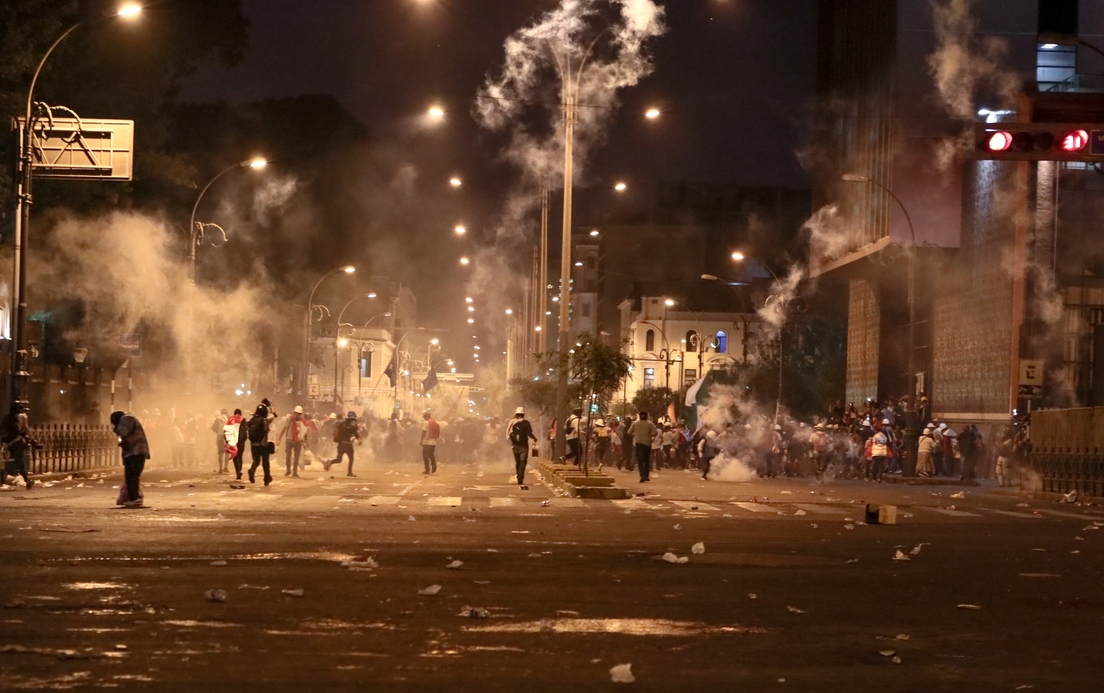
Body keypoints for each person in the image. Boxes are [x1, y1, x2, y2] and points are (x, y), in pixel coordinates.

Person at [111, 410, 150, 507]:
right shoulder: (130, 419)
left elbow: (123, 432)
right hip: (137, 452)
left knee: (131, 476)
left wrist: (115, 428)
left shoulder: (126, 419)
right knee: (134, 476)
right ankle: (136, 497)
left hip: (135, 452)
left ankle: (134, 498)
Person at [0, 403, 35, 489]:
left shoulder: (8, 417)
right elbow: (26, 427)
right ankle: (5, 473)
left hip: (9, 443)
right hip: (18, 441)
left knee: (19, 461)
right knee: (18, 461)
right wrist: (32, 439)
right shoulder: (22, 416)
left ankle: (27, 481)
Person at [507, 407, 537, 485]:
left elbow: (509, 434)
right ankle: (520, 476)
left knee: (517, 462)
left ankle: (518, 475)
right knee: (523, 461)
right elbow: (529, 433)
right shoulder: (526, 423)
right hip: (524, 446)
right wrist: (534, 438)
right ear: (523, 414)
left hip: (515, 446)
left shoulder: (513, 423)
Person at [326, 411, 361, 476]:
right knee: (351, 458)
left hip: (341, 444)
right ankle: (349, 472)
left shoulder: (343, 424)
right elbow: (355, 432)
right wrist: (359, 439)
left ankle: (330, 462)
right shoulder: (353, 423)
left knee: (339, 459)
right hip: (348, 444)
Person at [278, 406, 308, 477]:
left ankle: (295, 472)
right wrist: (280, 437)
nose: (298, 415)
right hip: (289, 440)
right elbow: (284, 428)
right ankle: (288, 470)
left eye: (299, 414)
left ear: (301, 414)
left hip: (298, 442)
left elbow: (305, 432)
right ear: (294, 413)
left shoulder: (303, 422)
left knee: (296, 457)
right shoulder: (289, 420)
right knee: (288, 456)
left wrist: (306, 440)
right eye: (297, 413)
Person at [627, 411, 657, 483]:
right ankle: (646, 475)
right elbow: (654, 433)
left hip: (639, 444)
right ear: (647, 416)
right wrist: (649, 435)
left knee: (640, 460)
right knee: (647, 460)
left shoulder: (635, 424)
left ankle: (642, 475)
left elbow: (629, 432)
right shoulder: (650, 424)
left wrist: (635, 435)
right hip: (647, 444)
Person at [247, 405, 273, 486]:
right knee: (265, 462)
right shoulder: (264, 420)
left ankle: (252, 470)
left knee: (256, 461)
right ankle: (266, 478)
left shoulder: (252, 419)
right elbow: (273, 416)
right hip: (263, 444)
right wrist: (271, 407)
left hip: (254, 444)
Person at [223, 409, 245, 479]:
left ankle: (238, 471)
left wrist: (227, 440)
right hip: (241, 441)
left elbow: (225, 431)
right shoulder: (243, 420)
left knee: (235, 456)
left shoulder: (230, 419)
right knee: (240, 456)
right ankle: (240, 470)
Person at [211, 409, 229, 474]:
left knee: (221, 453)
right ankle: (226, 467)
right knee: (227, 452)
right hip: (227, 437)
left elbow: (213, 428)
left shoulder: (218, 419)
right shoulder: (229, 419)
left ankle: (220, 468)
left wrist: (218, 431)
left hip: (220, 436)